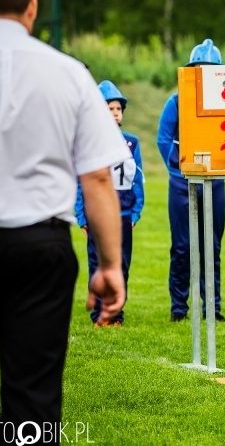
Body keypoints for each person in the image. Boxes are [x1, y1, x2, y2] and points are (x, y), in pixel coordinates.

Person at [0, 0, 128, 434]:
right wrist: (111, 266)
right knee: (33, 395)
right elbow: (97, 177)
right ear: (32, 8)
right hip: (41, 247)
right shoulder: (70, 74)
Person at [157, 38, 225, 322]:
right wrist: (180, 170)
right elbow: (163, 140)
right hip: (182, 183)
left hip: (215, 182)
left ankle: (212, 307)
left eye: (210, 70)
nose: (204, 75)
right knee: (183, 247)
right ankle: (178, 308)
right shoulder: (176, 102)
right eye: (200, 69)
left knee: (213, 246)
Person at [75, 80, 144, 326]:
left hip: (124, 211)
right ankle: (99, 314)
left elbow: (138, 179)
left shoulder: (131, 142)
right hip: (97, 211)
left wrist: (136, 212)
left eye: (118, 109)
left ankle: (117, 314)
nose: (115, 113)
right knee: (97, 260)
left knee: (122, 262)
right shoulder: (88, 141)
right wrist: (81, 215)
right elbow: (80, 181)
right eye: (109, 109)